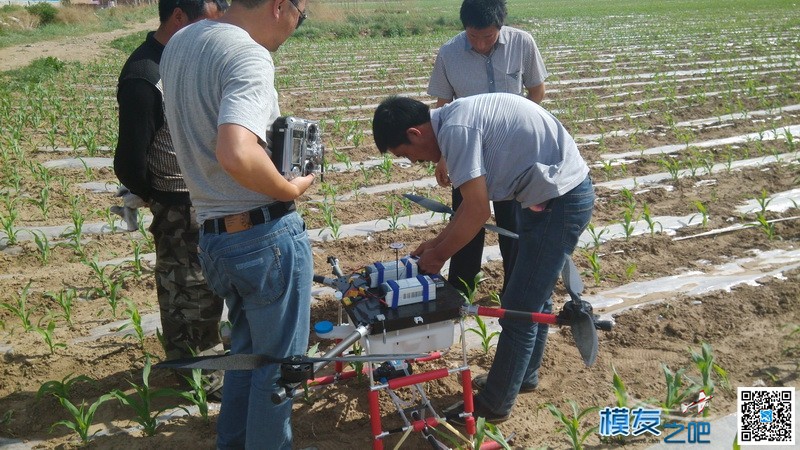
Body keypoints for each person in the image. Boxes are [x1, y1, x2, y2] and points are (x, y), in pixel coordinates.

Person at [372, 93, 594, 424]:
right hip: (546, 196)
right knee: (533, 296)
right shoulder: (453, 121)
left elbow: (478, 211)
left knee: (519, 306)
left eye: (408, 155)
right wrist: (435, 243)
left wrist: (439, 257)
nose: (415, 163)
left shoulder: (456, 130)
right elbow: (468, 205)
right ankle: (525, 376)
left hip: (560, 201)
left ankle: (494, 405)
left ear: (415, 133)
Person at [160, 0, 314, 448]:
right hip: (262, 236)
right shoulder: (247, 54)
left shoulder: (183, 40)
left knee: (247, 359)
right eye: (299, 15)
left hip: (213, 236)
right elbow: (237, 152)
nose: (295, 25)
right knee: (281, 371)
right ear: (280, 5)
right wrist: (290, 189)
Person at [113, 0, 228, 373]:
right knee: (186, 292)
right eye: (205, 23)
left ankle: (205, 357)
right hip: (178, 203)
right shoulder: (144, 75)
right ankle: (195, 375)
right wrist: (158, 198)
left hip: (206, 197)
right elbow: (129, 161)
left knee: (207, 287)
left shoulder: (189, 58)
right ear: (178, 16)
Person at [428, 0, 548, 296]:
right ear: (464, 27)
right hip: (467, 152)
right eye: (473, 36)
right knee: (466, 221)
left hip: (513, 157)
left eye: (488, 37)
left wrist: (524, 131)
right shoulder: (449, 53)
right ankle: (460, 289)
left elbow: (537, 90)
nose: (480, 44)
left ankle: (516, 291)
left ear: (501, 26)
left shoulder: (523, 43)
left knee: (514, 227)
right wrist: (443, 156)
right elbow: (442, 107)